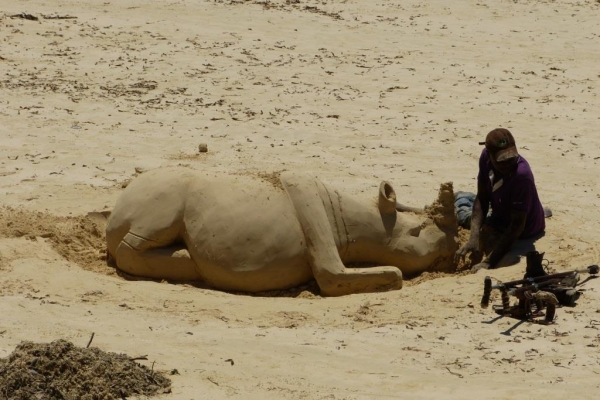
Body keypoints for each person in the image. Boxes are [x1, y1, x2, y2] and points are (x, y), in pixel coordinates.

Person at [455, 128, 548, 270]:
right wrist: (473, 238)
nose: (508, 165)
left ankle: (538, 212)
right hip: (500, 205)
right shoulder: (485, 158)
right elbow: (482, 198)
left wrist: (488, 262)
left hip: (521, 227)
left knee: (462, 211)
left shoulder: (521, 175)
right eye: (502, 161)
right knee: (465, 197)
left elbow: (517, 225)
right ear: (489, 154)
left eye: (511, 158)